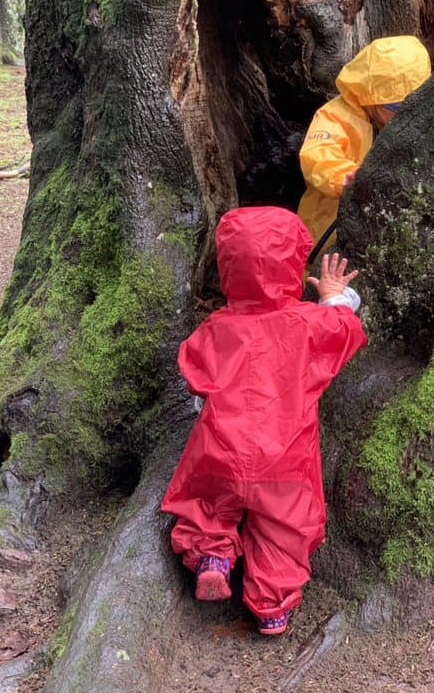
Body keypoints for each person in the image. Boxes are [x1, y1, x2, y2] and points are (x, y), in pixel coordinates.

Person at [161, 206, 366, 636]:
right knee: (284, 529)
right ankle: (272, 605)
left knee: (207, 504)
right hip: (285, 455)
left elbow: (192, 369)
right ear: (294, 264)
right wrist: (334, 295)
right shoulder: (307, 324)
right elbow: (343, 328)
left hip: (221, 443)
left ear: (227, 268)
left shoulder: (219, 327)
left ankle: (211, 556)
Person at [298, 35, 432, 255]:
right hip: (326, 233)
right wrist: (345, 176)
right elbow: (317, 156)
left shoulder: (411, 122)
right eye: (397, 107)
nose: (405, 114)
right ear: (373, 98)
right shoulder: (335, 116)